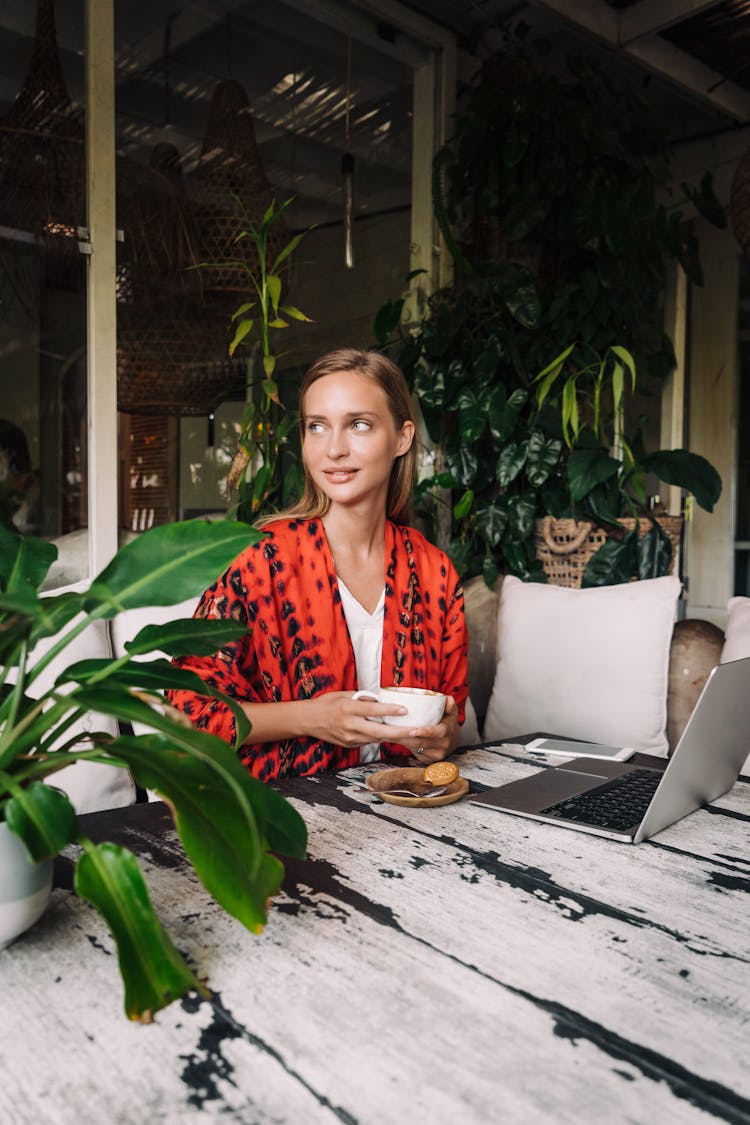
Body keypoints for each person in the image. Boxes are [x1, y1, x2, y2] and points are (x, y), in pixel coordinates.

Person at [169, 347, 468, 781]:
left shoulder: (435, 572)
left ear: (402, 438)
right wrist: (311, 718)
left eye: (359, 425)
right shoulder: (259, 560)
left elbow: (450, 719)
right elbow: (187, 713)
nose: (334, 449)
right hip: (284, 812)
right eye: (317, 427)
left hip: (403, 806)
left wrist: (441, 739)